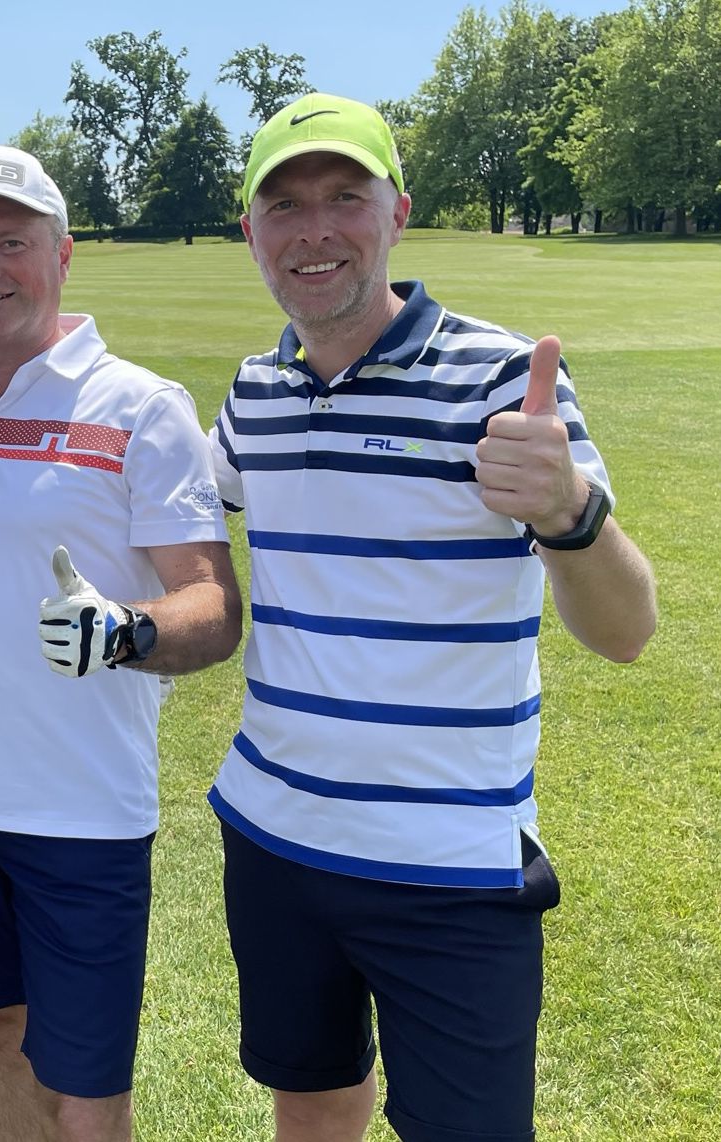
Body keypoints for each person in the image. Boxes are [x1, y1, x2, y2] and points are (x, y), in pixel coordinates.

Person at [207, 93, 657, 1142]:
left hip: (450, 863)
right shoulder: (256, 391)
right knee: (310, 1102)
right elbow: (184, 516)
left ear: (397, 213)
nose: (314, 230)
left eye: (344, 197)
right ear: (251, 232)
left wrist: (569, 512)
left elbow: (627, 630)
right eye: (284, 205)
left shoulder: (503, 380)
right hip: (274, 836)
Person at [0, 146, 241, 1142]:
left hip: (84, 810)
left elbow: (212, 605)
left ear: (63, 255)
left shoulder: (141, 406)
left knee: (88, 1094)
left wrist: (127, 630)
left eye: (11, 242)